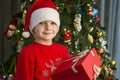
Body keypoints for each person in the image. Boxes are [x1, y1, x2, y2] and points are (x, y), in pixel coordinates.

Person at [15, 0, 101, 80]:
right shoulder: (27, 53)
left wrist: (90, 72)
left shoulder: (62, 50)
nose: (48, 27)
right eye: (41, 23)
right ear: (33, 27)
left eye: (53, 23)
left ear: (57, 26)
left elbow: (69, 76)